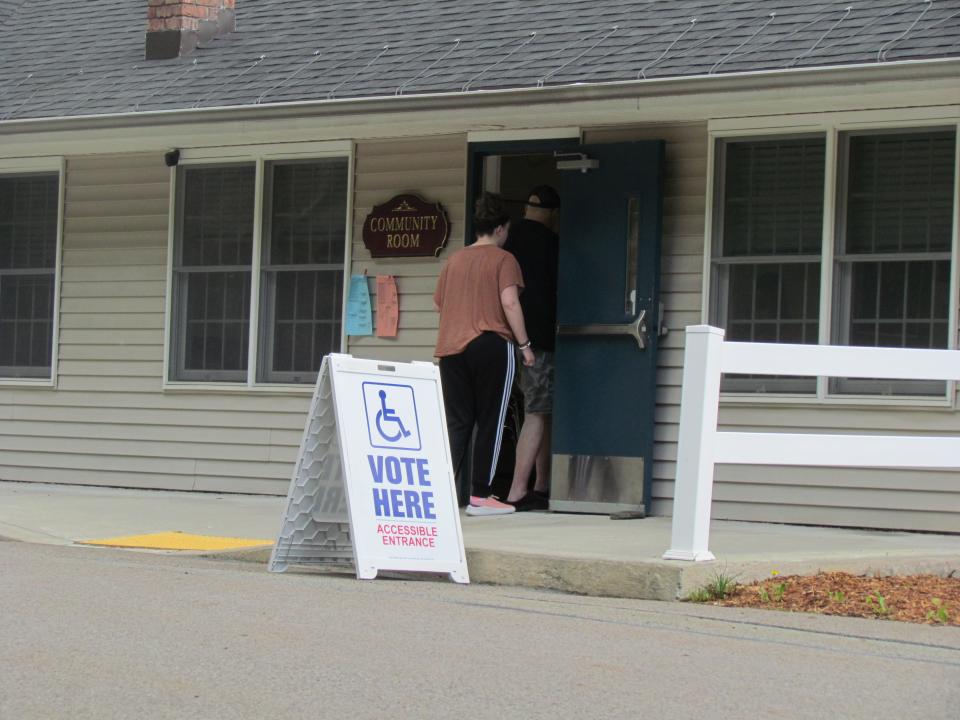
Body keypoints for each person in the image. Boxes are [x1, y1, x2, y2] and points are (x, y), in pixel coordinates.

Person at [433, 192, 536, 516]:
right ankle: (481, 495)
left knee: (457, 422)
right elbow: (509, 302)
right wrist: (524, 345)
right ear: (502, 229)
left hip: (451, 347)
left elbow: (440, 303)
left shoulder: (455, 260)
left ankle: (439, 494)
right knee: (491, 418)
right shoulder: (503, 259)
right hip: (490, 343)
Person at [502, 185, 560, 511]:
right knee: (537, 411)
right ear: (553, 213)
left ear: (526, 209)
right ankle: (518, 490)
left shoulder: (507, 243)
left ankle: (540, 484)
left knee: (532, 410)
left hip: (501, 340)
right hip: (537, 342)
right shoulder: (552, 244)